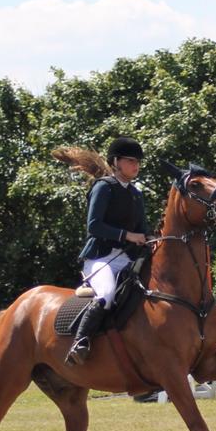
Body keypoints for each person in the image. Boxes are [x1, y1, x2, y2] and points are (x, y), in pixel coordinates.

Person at [66, 136, 149, 365]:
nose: (136, 166)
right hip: (100, 258)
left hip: (127, 259)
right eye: (131, 161)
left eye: (138, 162)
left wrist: (151, 238)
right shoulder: (103, 187)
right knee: (107, 293)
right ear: (116, 162)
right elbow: (94, 226)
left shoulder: (136, 194)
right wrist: (127, 235)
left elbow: (143, 230)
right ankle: (80, 343)